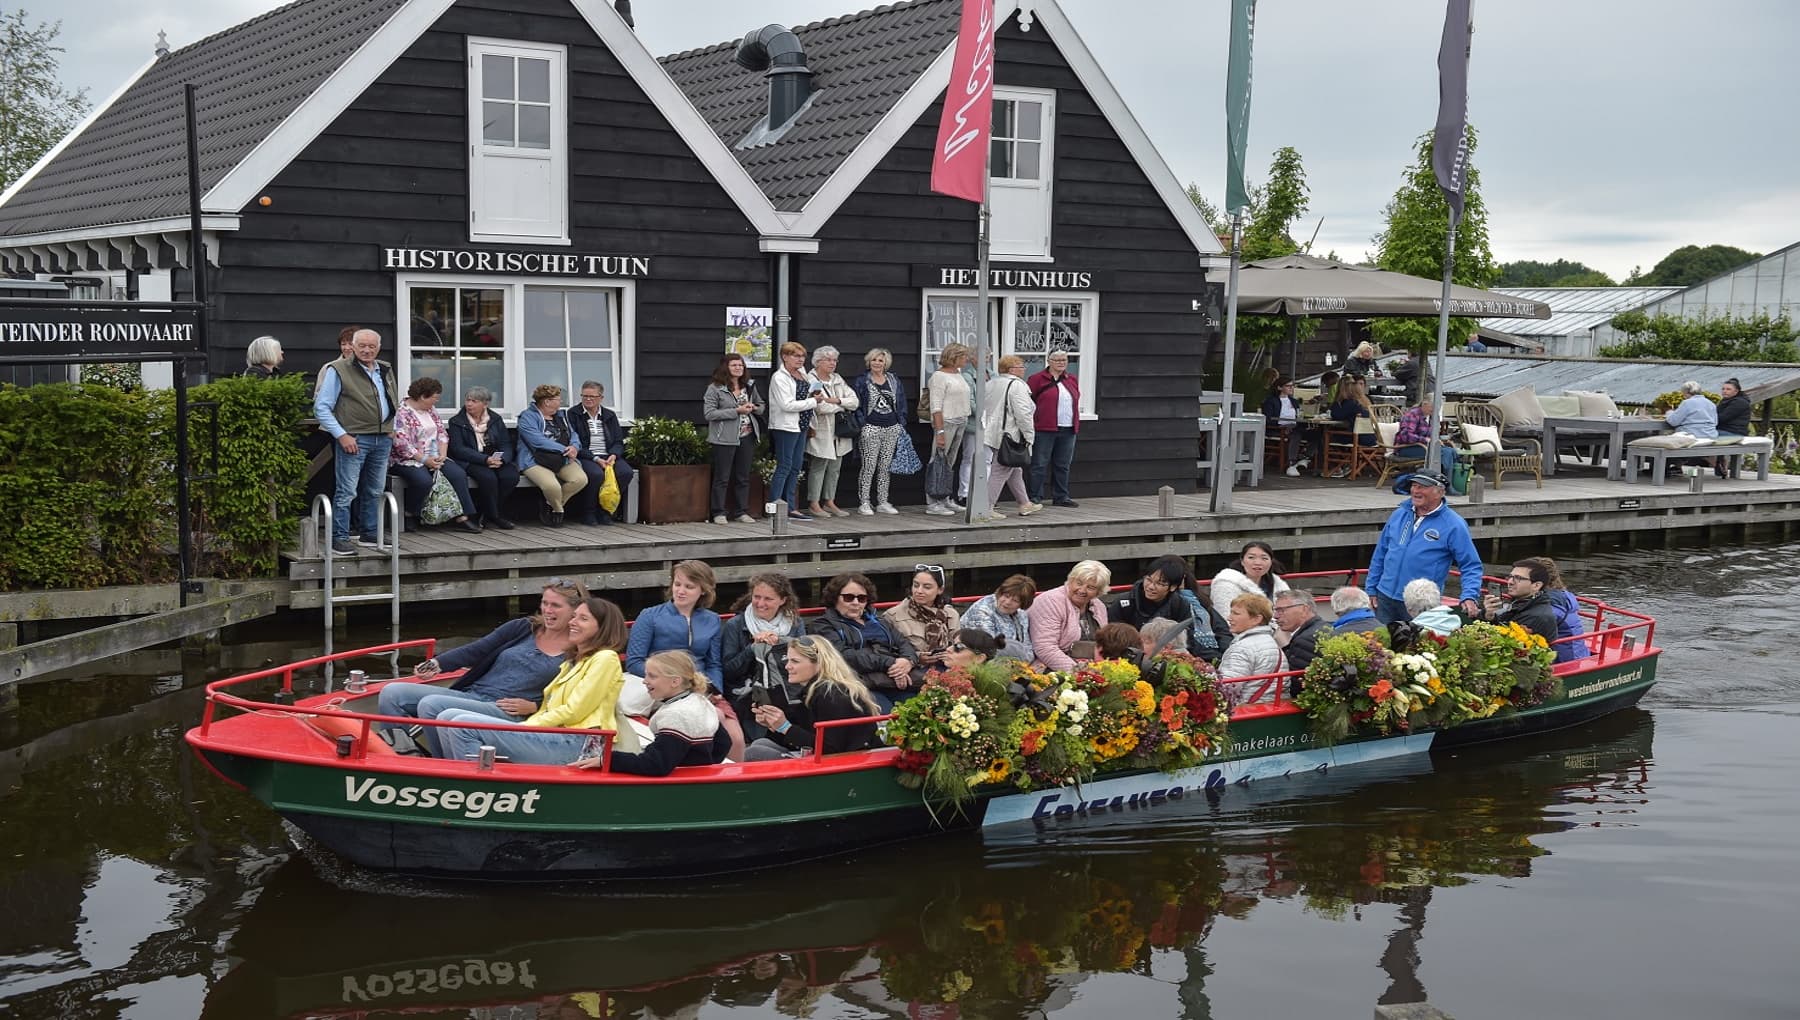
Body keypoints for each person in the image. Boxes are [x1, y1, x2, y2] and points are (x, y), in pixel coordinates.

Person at [376, 578, 586, 753]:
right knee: (392, 693)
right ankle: (402, 756)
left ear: (576, 611)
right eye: (545, 603)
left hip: (510, 710)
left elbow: (576, 699)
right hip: (474, 694)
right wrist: (437, 663)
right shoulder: (523, 627)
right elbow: (478, 649)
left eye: (555, 605)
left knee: (432, 705)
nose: (547, 610)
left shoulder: (582, 648)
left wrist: (537, 707)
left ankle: (443, 767)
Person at [435, 597, 635, 764]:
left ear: (602, 628)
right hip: (554, 734)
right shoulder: (571, 662)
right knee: (448, 717)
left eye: (583, 619)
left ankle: (476, 788)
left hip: (578, 742)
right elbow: (550, 706)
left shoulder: (605, 658)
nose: (572, 622)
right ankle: (458, 778)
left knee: (462, 724)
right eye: (574, 616)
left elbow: (574, 712)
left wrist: (527, 726)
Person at [314, 328, 398, 556]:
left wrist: (392, 428)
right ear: (353, 346)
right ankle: (339, 537)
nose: (367, 350)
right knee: (347, 490)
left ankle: (369, 533)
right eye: (362, 346)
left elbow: (391, 399)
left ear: (378, 347)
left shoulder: (385, 368)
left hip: (382, 438)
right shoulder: (338, 369)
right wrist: (342, 435)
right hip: (354, 438)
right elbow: (321, 408)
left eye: (372, 346)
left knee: (375, 489)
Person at [576, 650, 726, 776]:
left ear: (675, 681)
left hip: (675, 789)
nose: (644, 681)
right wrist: (701, 768)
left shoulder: (676, 715)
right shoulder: (700, 702)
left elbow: (656, 764)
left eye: (652, 676)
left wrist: (608, 759)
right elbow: (723, 744)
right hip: (694, 781)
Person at [1365, 470, 1485, 628]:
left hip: (1420, 603)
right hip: (1384, 596)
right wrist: (1371, 589)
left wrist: (1469, 596)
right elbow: (1380, 554)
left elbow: (1471, 565)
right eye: (1414, 486)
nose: (1415, 491)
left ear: (1440, 492)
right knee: (1381, 644)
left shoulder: (1454, 524)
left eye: (1422, 487)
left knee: (1414, 647)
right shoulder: (1399, 514)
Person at [745, 635, 884, 760]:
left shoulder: (833, 695)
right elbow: (802, 737)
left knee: (755, 753)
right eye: (788, 660)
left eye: (795, 661)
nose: (787, 666)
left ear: (819, 664)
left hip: (848, 763)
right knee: (760, 744)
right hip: (830, 759)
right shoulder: (814, 691)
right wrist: (774, 725)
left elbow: (831, 749)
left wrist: (785, 727)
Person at [808, 572, 919, 707]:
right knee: (884, 717)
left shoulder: (879, 621)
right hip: (858, 684)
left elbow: (903, 642)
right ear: (835, 598)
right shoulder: (823, 626)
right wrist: (890, 662)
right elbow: (844, 656)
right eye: (849, 598)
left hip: (893, 680)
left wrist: (907, 661)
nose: (856, 603)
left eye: (861, 598)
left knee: (919, 711)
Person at [390, 377, 481, 533]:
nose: (436, 401)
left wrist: (443, 455)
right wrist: (425, 460)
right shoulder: (402, 413)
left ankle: (461, 517)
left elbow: (442, 433)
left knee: (457, 474)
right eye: (435, 398)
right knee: (423, 481)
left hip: (436, 456)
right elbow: (402, 444)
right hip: (409, 459)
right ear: (423, 396)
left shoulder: (431, 410)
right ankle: (411, 513)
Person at [721, 572, 806, 735]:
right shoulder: (735, 625)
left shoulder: (795, 622)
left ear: (783, 600)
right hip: (748, 694)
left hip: (787, 690)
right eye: (756, 597)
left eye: (768, 599)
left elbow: (804, 661)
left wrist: (781, 642)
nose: (760, 603)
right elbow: (729, 671)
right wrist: (752, 648)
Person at [627, 560, 725, 693]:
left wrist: (714, 689)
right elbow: (634, 662)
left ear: (703, 590)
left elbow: (713, 664)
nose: (680, 591)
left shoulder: (713, 620)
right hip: (660, 688)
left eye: (689, 587)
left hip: (700, 688)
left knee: (722, 714)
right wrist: (670, 681)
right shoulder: (649, 616)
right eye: (677, 584)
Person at [976, 354, 1043, 521]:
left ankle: (1024, 503)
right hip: (1010, 434)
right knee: (1000, 470)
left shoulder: (991, 383)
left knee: (1014, 469)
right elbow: (1023, 413)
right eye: (1021, 366)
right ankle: (986, 507)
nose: (1024, 368)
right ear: (1012, 369)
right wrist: (1029, 436)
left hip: (992, 432)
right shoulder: (1017, 385)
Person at [446, 385, 518, 530]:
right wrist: (484, 460)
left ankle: (488, 512)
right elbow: (458, 449)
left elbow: (506, 444)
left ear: (485, 404)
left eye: (474, 401)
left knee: (510, 476)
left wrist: (502, 459)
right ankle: (495, 516)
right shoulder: (456, 421)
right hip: (472, 460)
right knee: (488, 478)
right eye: (467, 400)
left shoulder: (495, 419)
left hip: (494, 457)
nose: (469, 404)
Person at [703, 353, 763, 524]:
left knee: (743, 476)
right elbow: (709, 414)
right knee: (722, 477)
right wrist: (736, 411)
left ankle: (741, 511)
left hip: (747, 435)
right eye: (734, 365)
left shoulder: (749, 386)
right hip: (724, 438)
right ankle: (718, 512)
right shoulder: (715, 388)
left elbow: (762, 406)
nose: (738, 368)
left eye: (741, 365)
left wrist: (754, 408)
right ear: (725, 368)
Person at [515, 383, 586, 527]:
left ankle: (549, 504)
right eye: (558, 399)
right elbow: (537, 441)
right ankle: (558, 510)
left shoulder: (561, 415)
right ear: (547, 401)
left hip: (562, 458)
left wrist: (574, 447)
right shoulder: (527, 417)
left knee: (580, 479)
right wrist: (564, 449)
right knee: (552, 486)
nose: (561, 402)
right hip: (535, 459)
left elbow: (573, 434)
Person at [803, 345, 860, 518]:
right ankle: (814, 503)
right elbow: (820, 407)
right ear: (818, 361)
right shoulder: (810, 379)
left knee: (835, 467)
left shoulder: (837, 378)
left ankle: (829, 501)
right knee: (819, 465)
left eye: (835, 360)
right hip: (821, 428)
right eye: (828, 359)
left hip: (839, 431)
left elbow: (854, 401)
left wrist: (836, 400)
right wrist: (840, 406)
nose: (832, 363)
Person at [768, 341, 822, 520]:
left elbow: (807, 396)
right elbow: (787, 404)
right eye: (796, 356)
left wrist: (815, 395)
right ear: (785, 357)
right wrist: (814, 402)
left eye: (802, 356)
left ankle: (790, 507)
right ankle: (775, 507)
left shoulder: (802, 374)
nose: (800, 359)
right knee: (784, 465)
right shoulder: (779, 377)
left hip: (802, 425)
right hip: (785, 426)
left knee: (796, 466)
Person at [850, 347, 907, 516]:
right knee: (869, 466)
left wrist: (900, 423)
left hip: (891, 427)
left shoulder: (893, 380)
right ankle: (864, 502)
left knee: (885, 467)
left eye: (880, 360)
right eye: (874, 359)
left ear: (885, 363)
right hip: (871, 427)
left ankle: (882, 501)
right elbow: (857, 404)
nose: (877, 363)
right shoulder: (862, 380)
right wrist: (863, 425)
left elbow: (902, 402)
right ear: (869, 361)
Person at [1027, 559, 1111, 671]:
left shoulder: (1099, 606)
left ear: (1099, 592)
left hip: (1092, 667)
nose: (1082, 590)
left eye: (1090, 587)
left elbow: (1104, 644)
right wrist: (1079, 672)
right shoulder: (1049, 601)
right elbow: (1045, 648)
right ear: (1070, 580)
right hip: (1051, 668)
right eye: (1079, 583)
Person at [569, 380, 632, 526]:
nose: (588, 399)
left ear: (601, 398)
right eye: (584, 396)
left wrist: (614, 455)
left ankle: (605, 511)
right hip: (586, 455)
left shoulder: (609, 415)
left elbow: (618, 441)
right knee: (596, 474)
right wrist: (595, 458)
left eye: (592, 396)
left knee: (625, 472)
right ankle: (588, 513)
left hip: (608, 455)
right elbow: (575, 442)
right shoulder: (574, 414)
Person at [882, 564, 962, 673]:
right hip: (914, 673)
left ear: (940, 589)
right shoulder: (892, 616)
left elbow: (959, 647)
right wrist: (917, 658)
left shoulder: (951, 615)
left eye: (927, 587)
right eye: (915, 585)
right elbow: (886, 651)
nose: (919, 591)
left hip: (947, 670)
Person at [1027, 350, 1082, 507]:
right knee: (1039, 464)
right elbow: (1029, 402)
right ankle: (1035, 496)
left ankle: (1061, 496)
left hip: (1068, 427)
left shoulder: (1071, 379)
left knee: (1063, 464)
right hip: (1045, 427)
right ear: (1049, 361)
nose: (1061, 362)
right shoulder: (1037, 379)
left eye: (1064, 359)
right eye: (1057, 359)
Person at [926, 343, 974, 516]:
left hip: (961, 420)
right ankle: (932, 502)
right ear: (953, 357)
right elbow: (936, 406)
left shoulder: (959, 374)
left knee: (950, 462)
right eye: (963, 356)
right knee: (938, 460)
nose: (966, 359)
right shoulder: (939, 376)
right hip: (946, 422)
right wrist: (939, 431)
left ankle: (944, 497)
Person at [1524, 556, 1590, 663]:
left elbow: (1528, 628)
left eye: (1521, 577)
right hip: (1577, 652)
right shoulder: (1562, 595)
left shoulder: (1550, 606)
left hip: (1564, 659)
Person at [1106, 554, 1195, 632]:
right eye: (1148, 579)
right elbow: (1113, 638)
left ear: (1173, 587)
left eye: (1159, 583)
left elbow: (1187, 638)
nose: (1151, 586)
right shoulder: (1123, 604)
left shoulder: (1180, 605)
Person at [1478, 559, 1559, 645]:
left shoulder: (1537, 616)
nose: (1510, 582)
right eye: (1510, 577)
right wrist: (1489, 616)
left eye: (1518, 578)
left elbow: (1506, 644)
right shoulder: (1522, 602)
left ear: (1536, 585)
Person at [959, 574, 1035, 661]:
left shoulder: (1021, 614)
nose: (1007, 602)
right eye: (1006, 596)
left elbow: (1028, 646)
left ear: (1022, 604)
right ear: (1000, 593)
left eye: (1015, 600)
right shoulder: (981, 611)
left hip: (1014, 661)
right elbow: (990, 650)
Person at [1210, 542, 1289, 623]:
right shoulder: (1226, 585)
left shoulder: (1277, 585)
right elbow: (1226, 619)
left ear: (1271, 562)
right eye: (1251, 557)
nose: (1258, 563)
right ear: (1242, 561)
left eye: (1264, 558)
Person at [1216, 592, 1285, 682]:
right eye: (1231, 612)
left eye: (1236, 614)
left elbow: (1227, 687)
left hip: (1250, 696)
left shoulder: (1242, 648)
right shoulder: (1272, 642)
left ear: (1256, 619)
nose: (1229, 618)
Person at [1262, 376, 1312, 477]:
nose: (1291, 388)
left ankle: (1305, 457)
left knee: (1317, 433)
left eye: (1292, 386)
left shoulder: (1294, 401)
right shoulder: (1271, 401)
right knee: (1296, 434)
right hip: (1279, 428)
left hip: (1295, 426)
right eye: (1288, 386)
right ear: (1279, 388)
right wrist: (1283, 426)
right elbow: (1268, 419)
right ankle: (1292, 463)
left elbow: (1298, 415)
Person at [1271, 588, 1328, 676]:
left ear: (1304, 609)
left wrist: (1286, 647)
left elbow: (1297, 682)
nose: (1275, 616)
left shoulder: (1304, 640)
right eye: (1276, 610)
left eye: (1281, 610)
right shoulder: (1326, 626)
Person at [1714, 377, 1752, 478]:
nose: (1724, 391)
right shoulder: (1726, 400)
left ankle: (1718, 461)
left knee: (1704, 435)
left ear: (1736, 391)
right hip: (1724, 429)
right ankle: (1718, 461)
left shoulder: (1739, 403)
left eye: (1728, 389)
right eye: (1723, 389)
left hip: (1735, 432)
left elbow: (1722, 418)